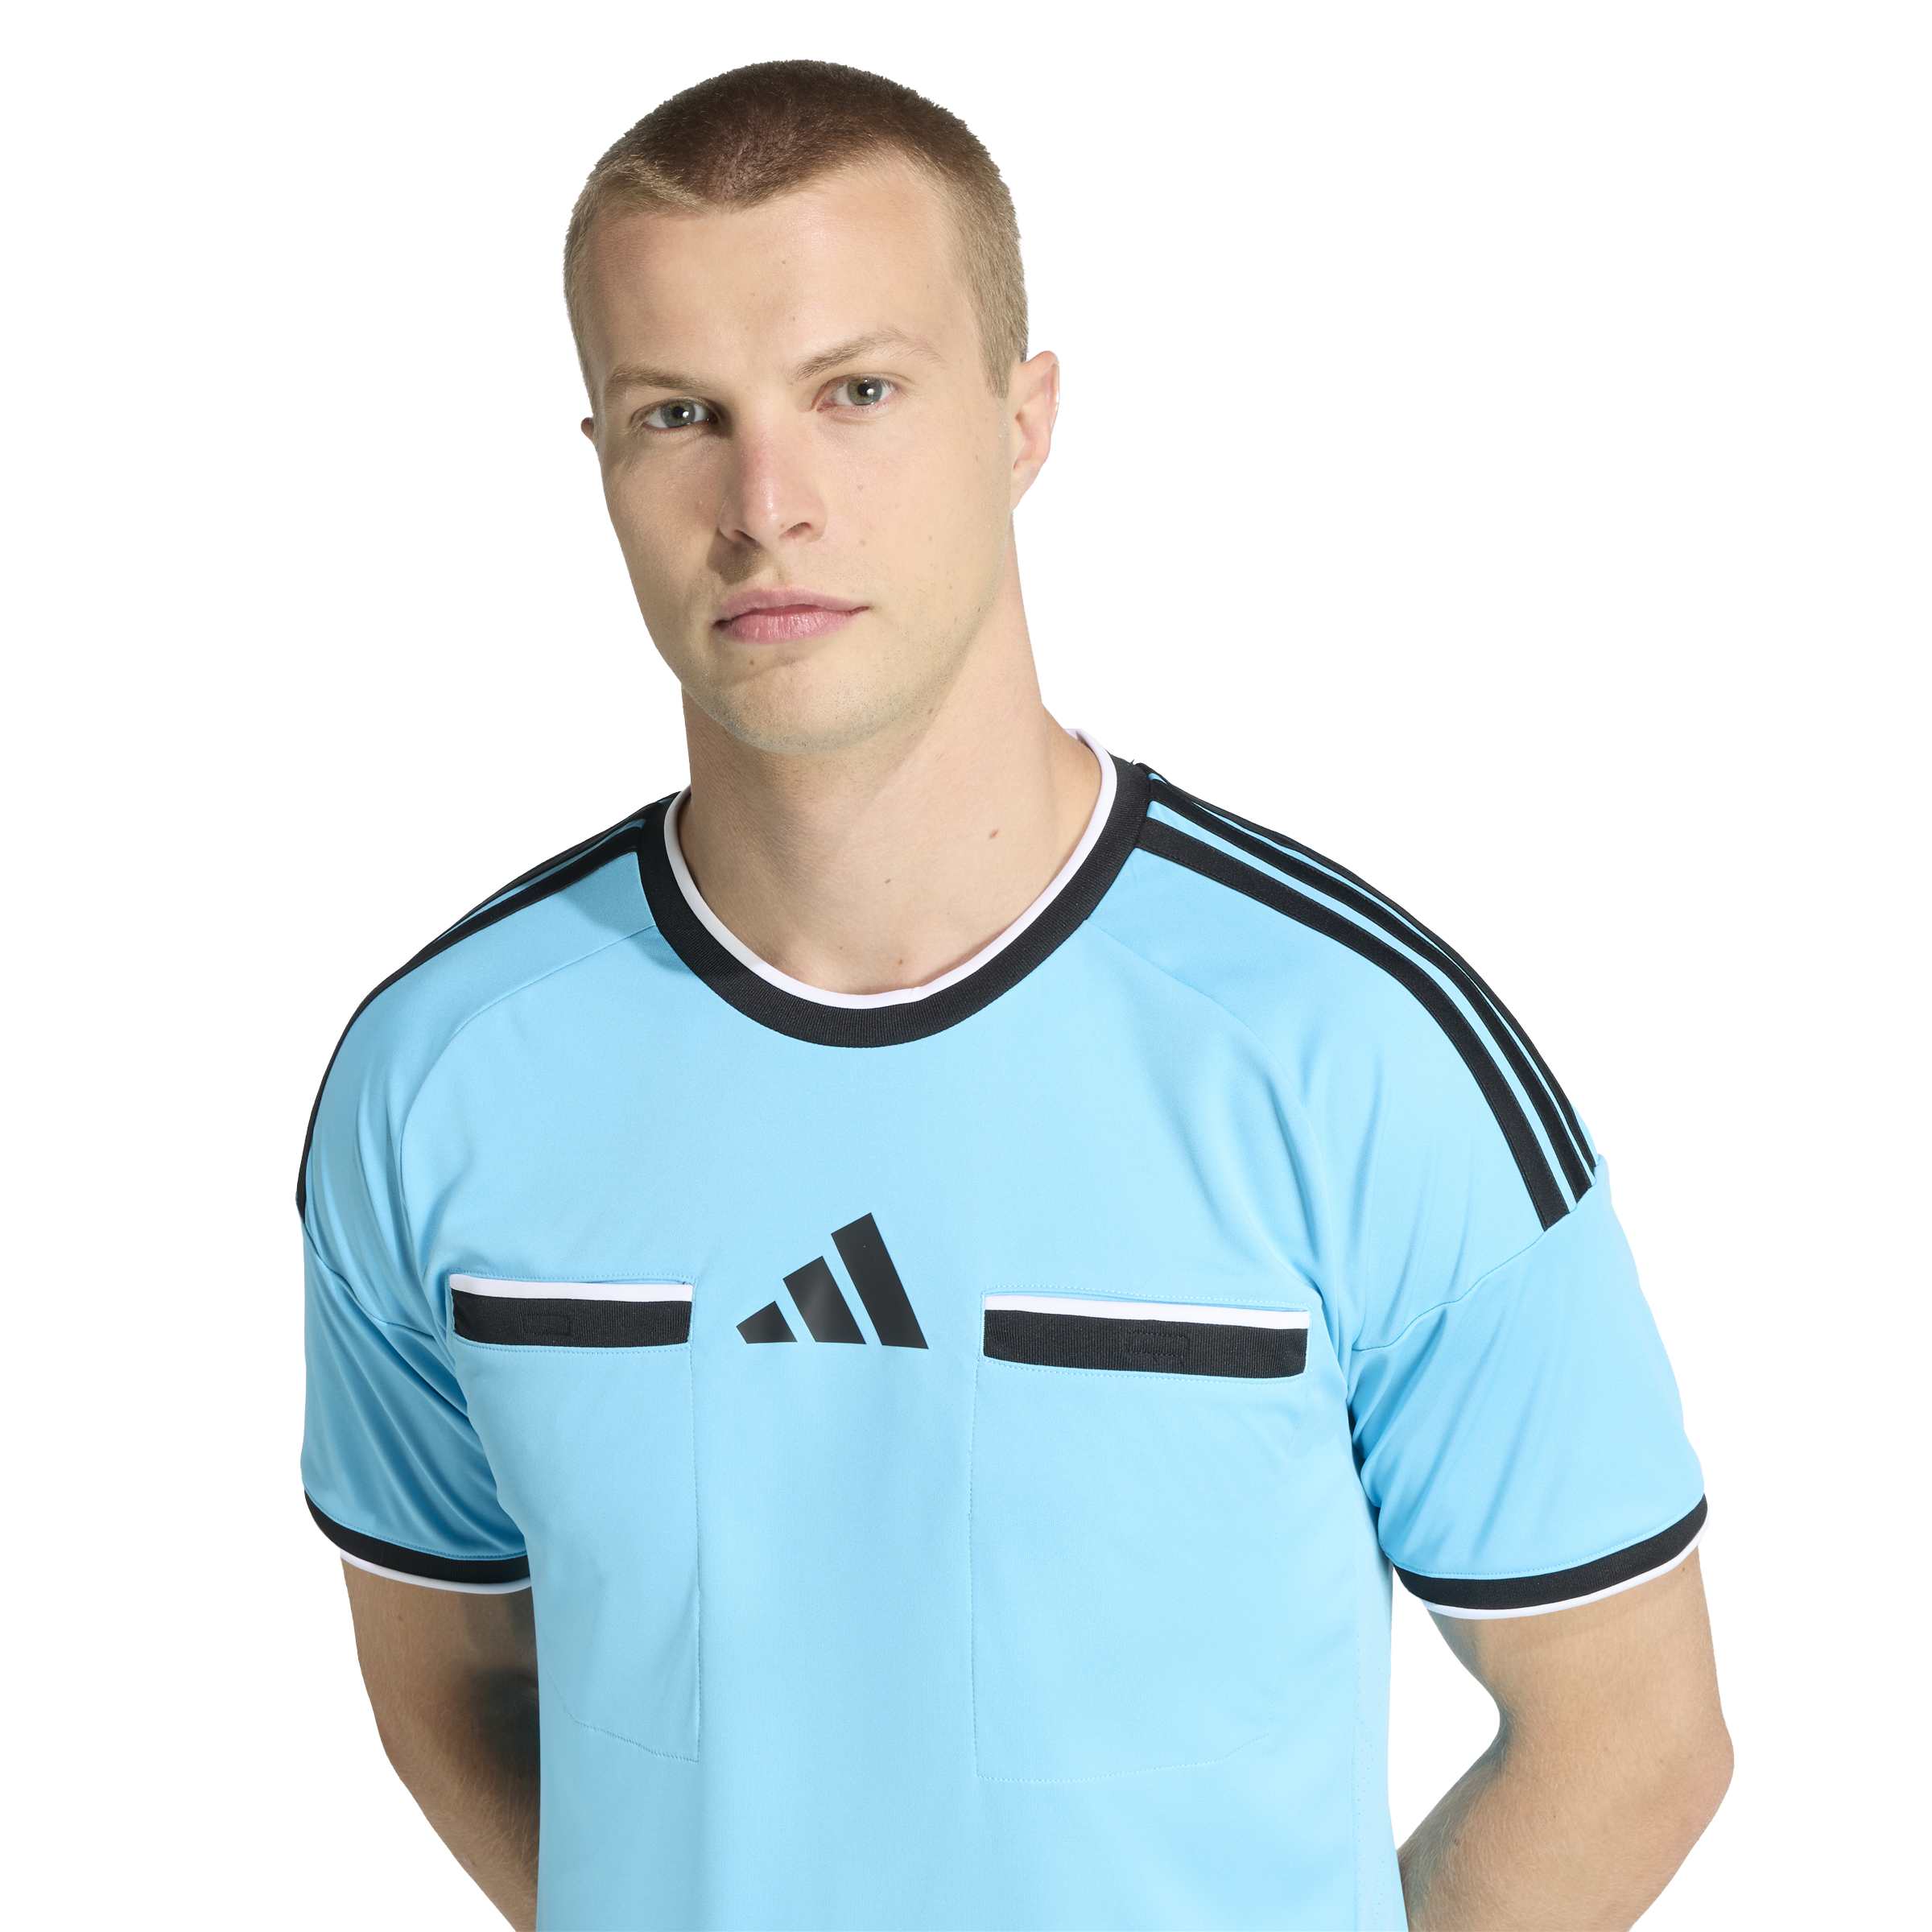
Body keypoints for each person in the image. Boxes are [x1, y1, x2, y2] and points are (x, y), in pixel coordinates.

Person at [296, 58, 1731, 1932]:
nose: (768, 504)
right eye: (680, 415)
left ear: (1025, 418)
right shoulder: (439, 1077)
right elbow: (450, 1687)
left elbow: (1630, 1738)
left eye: (857, 392)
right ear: (603, 461)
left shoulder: (1352, 1051)